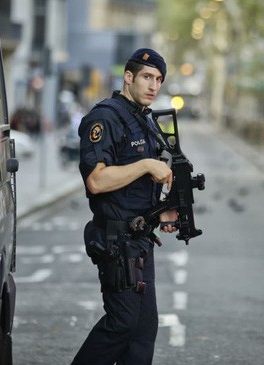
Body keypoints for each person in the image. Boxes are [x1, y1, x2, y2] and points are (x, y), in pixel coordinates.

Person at [72, 48, 179, 365]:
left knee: (143, 333)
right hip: (116, 243)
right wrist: (147, 164)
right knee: (122, 325)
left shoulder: (144, 122)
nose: (153, 86)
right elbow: (97, 180)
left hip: (141, 241)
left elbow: (137, 191)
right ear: (128, 77)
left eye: (159, 79)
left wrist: (165, 213)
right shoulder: (105, 118)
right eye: (147, 77)